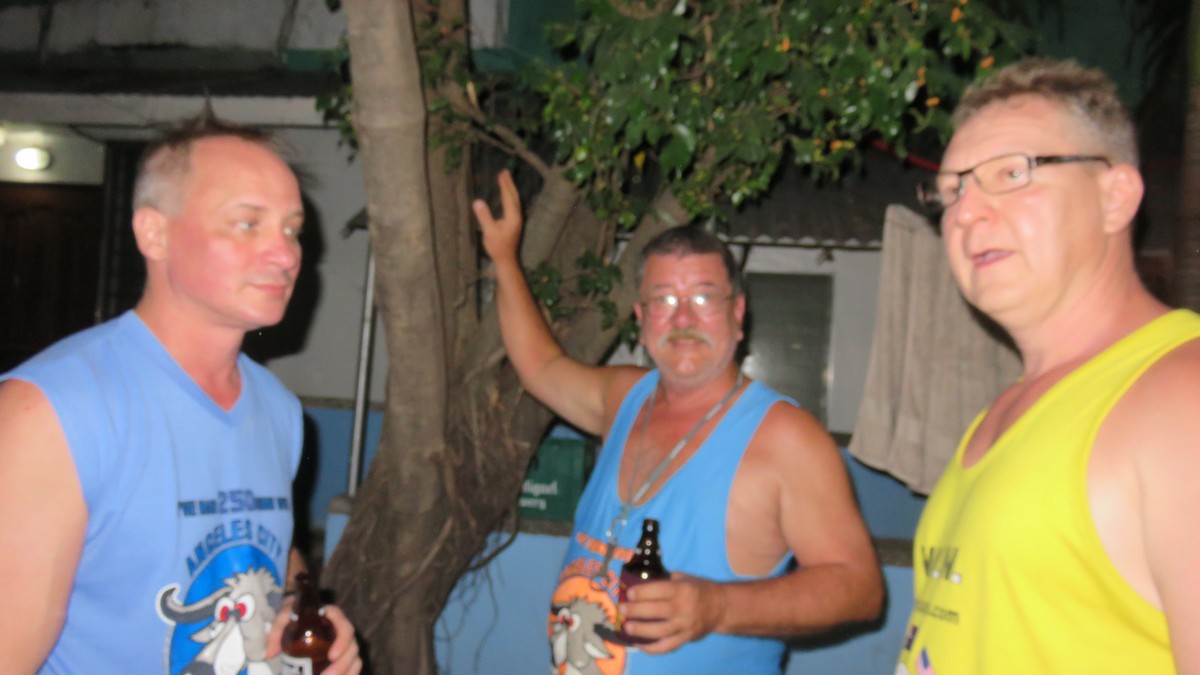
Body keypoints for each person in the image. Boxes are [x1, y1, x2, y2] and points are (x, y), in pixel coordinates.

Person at [474, 172, 883, 673]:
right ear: (641, 319)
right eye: (664, 300)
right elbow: (540, 365)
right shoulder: (623, 398)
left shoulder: (785, 438)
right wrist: (504, 258)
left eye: (704, 298)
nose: (683, 319)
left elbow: (859, 588)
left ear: (737, 315)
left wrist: (717, 607)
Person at [0, 113, 361, 674]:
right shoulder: (50, 411)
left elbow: (261, 546)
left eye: (291, 230)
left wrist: (297, 605)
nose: (286, 254)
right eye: (248, 224)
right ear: (154, 234)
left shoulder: (278, 409)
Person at [897, 58, 1200, 674]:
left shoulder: (1179, 398)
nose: (966, 213)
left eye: (1012, 173)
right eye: (953, 191)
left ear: (1115, 198)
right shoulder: (1007, 410)